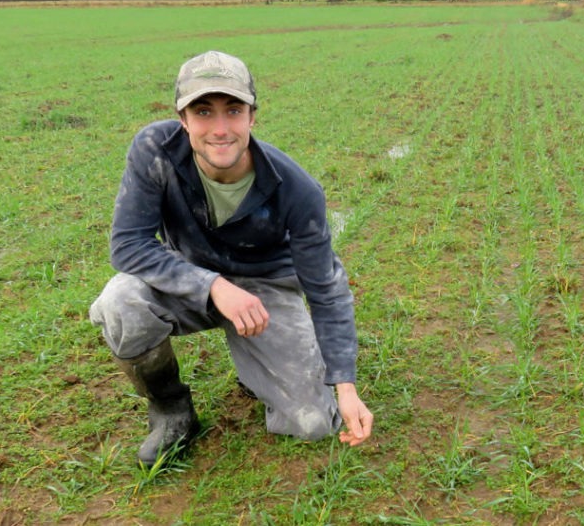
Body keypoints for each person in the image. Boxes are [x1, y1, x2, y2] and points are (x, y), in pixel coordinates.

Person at [89, 50, 373, 467]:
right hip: (190, 279)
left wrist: (345, 387)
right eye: (203, 111)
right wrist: (213, 287)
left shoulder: (296, 189)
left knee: (313, 423)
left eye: (233, 110)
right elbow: (128, 244)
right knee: (121, 301)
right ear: (182, 119)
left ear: (252, 117)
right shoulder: (156, 151)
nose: (220, 129)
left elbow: (327, 289)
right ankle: (171, 411)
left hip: (265, 291)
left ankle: (255, 364)